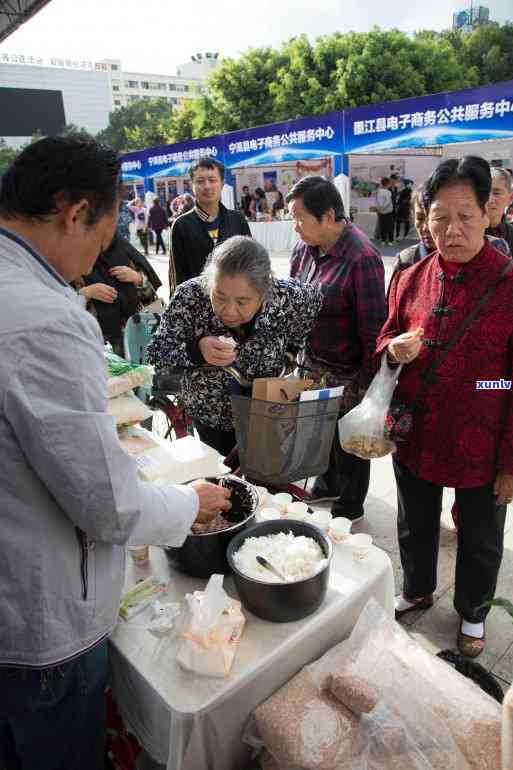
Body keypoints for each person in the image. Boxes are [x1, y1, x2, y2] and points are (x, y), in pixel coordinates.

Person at [0, 135, 231, 770]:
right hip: (35, 625)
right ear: (75, 212)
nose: (96, 260)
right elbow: (106, 504)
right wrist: (187, 503)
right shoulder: (45, 317)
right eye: (101, 239)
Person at [377, 156, 513, 658]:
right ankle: (417, 587)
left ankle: (474, 612)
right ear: (425, 217)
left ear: (489, 213)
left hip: (482, 438)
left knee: (480, 535)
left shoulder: (510, 286)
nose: (451, 230)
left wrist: (511, 463)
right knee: (414, 521)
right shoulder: (410, 277)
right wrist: (394, 348)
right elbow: (385, 336)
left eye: (465, 216)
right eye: (440, 217)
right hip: (416, 431)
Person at [148, 235, 322, 457]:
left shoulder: (287, 296)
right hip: (211, 411)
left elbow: (313, 305)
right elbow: (155, 353)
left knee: (265, 475)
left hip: (266, 407)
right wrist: (196, 350)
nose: (229, 311)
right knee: (223, 476)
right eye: (219, 297)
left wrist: (291, 351)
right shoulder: (189, 296)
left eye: (242, 302)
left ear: (263, 293)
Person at [287, 176, 386, 521]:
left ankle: (350, 504)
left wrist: (367, 388)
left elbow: (374, 330)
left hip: (348, 372)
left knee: (350, 441)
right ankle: (327, 485)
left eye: (300, 218)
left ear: (328, 216)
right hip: (313, 365)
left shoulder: (362, 258)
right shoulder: (305, 249)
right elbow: (294, 298)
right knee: (322, 434)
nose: (295, 227)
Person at [169, 158, 251, 294]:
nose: (207, 186)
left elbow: (250, 262)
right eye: (200, 181)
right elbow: (177, 274)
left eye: (212, 180)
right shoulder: (181, 225)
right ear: (192, 185)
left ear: (222, 184)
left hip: (235, 302)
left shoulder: (237, 220)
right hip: (197, 305)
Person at [73, 231, 162, 355]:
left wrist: (138, 278)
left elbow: (152, 300)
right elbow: (61, 304)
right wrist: (86, 292)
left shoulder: (120, 247)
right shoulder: (73, 258)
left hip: (136, 338)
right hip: (97, 344)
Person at [485, 166, 513, 259]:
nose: (489, 199)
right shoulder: (467, 233)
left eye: (496, 193)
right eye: (485, 192)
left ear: (510, 198)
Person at [376, 177, 394, 245]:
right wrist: (383, 208)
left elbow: (377, 201)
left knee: (382, 226)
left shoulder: (379, 191)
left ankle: (383, 241)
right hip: (388, 212)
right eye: (389, 183)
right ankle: (390, 241)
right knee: (389, 226)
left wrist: (379, 209)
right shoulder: (388, 192)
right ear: (387, 184)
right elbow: (388, 202)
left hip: (381, 212)